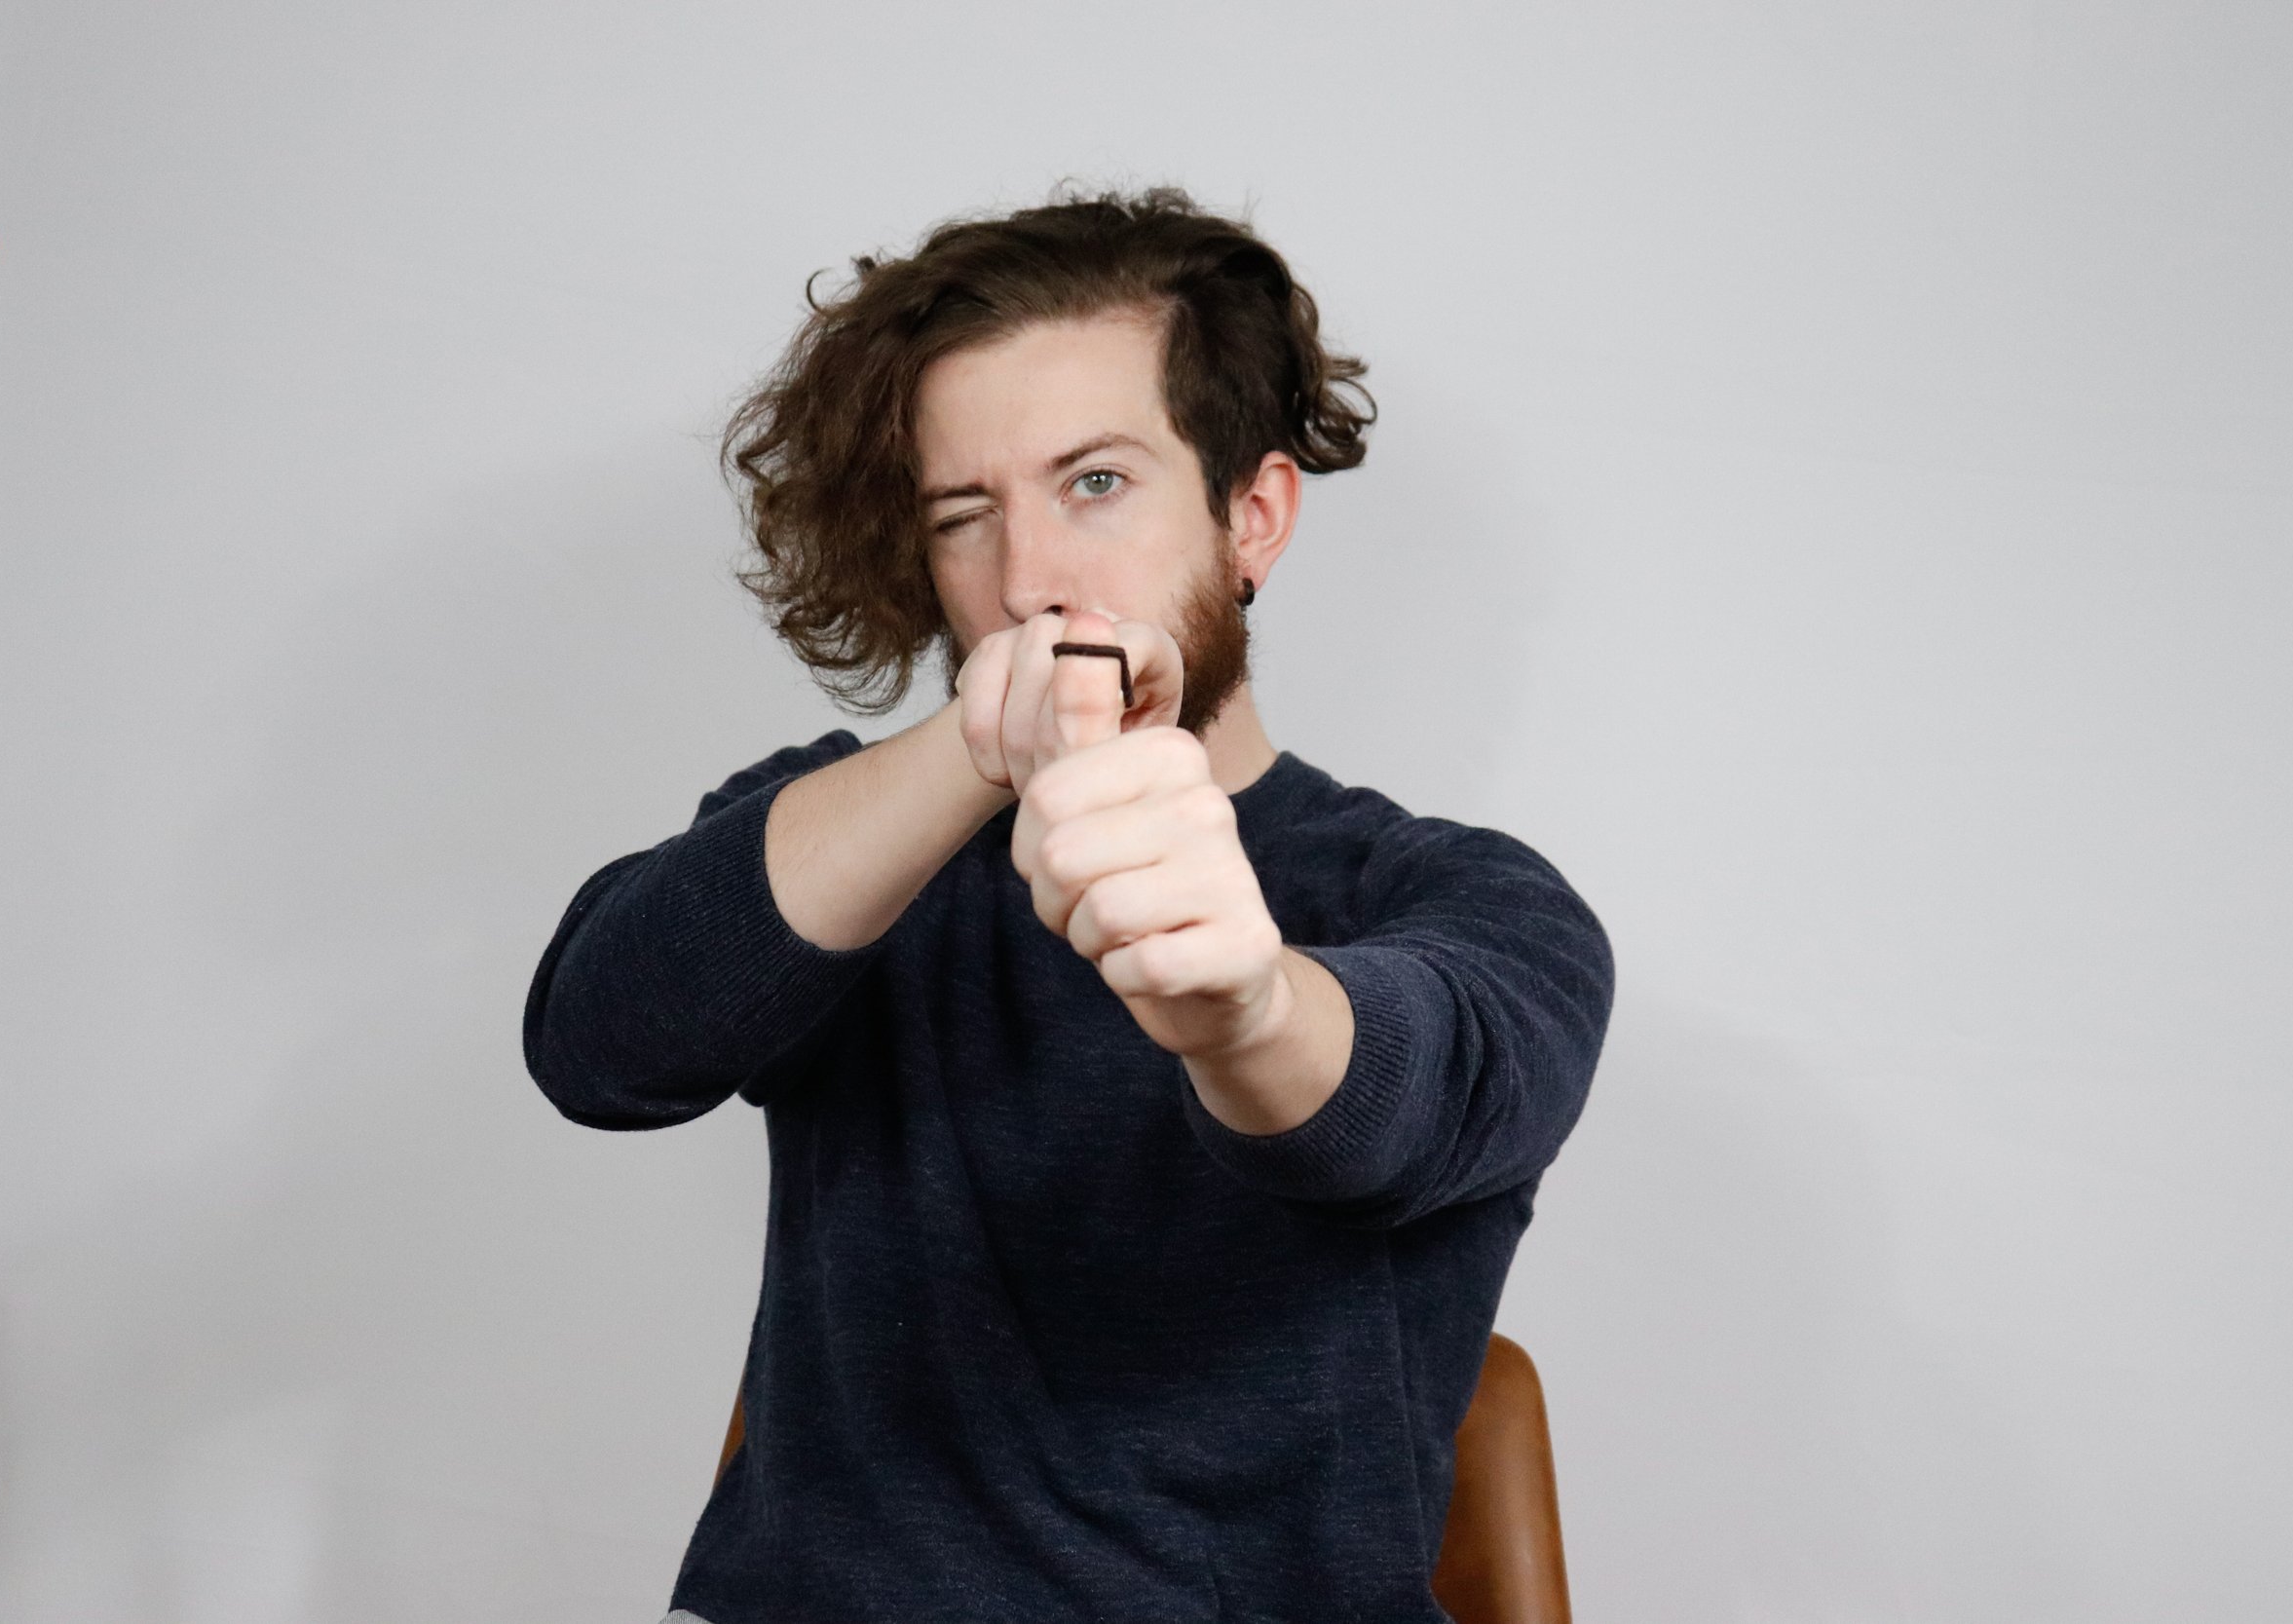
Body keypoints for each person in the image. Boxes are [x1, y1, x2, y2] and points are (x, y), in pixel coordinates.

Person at [521, 185, 1616, 1624]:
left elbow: (1402, 1099)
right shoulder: (854, 837)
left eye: (1095, 483)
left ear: (1252, 516)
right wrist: (978, 749)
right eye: (963, 514)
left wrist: (1245, 1008)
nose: (1028, 581)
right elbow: (600, 1049)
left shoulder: (1460, 897)